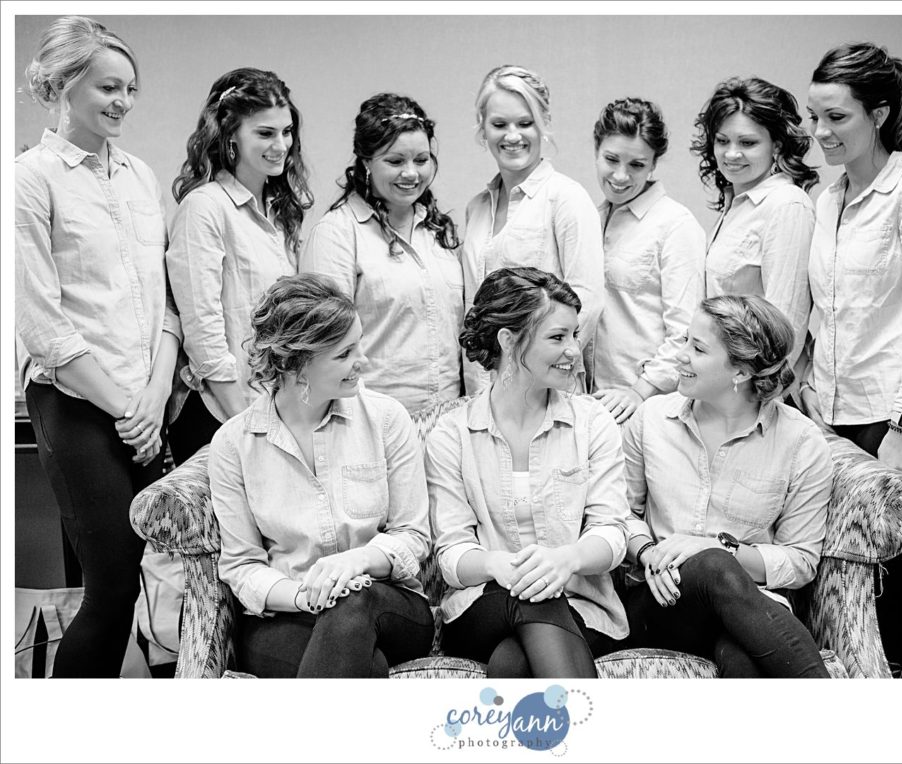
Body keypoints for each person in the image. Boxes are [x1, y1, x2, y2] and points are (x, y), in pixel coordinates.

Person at [15, 16, 181, 677]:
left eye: (131, 89)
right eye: (108, 87)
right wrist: (125, 410)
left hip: (144, 400)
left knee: (151, 580)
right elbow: (43, 328)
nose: (123, 102)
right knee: (112, 583)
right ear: (62, 85)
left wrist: (154, 396)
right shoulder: (30, 179)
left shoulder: (141, 176)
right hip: (74, 403)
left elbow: (167, 308)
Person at [804, 42, 902, 678]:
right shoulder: (825, 198)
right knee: (846, 574)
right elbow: (826, 311)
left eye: (837, 117)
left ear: (878, 115)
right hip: (831, 408)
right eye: (815, 116)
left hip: (896, 412)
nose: (821, 132)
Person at [208, 273, 434, 677]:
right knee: (366, 663)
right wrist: (307, 596)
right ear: (298, 364)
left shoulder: (386, 419)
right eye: (345, 353)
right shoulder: (234, 444)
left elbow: (413, 536)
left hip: (388, 604)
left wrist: (357, 562)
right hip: (289, 611)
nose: (362, 361)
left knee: (355, 603)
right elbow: (242, 566)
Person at [426, 267, 629, 678]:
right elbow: (450, 554)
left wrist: (565, 560)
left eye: (575, 334)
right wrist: (497, 565)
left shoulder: (593, 422)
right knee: (531, 592)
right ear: (508, 339)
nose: (574, 350)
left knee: (513, 661)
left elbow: (613, 533)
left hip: (581, 609)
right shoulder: (451, 433)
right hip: (482, 606)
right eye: (558, 337)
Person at [621, 295, 832, 678]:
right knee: (716, 564)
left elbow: (801, 561)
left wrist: (721, 549)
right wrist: (648, 551)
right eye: (685, 340)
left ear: (740, 373)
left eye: (697, 348)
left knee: (742, 660)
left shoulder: (800, 441)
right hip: (660, 600)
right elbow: (622, 513)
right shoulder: (651, 419)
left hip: (747, 608)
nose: (680, 356)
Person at [166, 67, 312, 464]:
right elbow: (203, 332)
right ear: (230, 138)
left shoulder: (281, 213)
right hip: (218, 411)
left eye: (286, 132)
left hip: (269, 406)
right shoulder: (204, 207)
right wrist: (245, 420)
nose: (280, 145)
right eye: (265, 133)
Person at [300, 93, 463, 416]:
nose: (411, 173)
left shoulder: (437, 232)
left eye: (421, 159)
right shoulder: (338, 233)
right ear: (366, 163)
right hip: (372, 418)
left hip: (447, 419)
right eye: (395, 161)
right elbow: (323, 344)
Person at [462, 65, 604, 395]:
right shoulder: (477, 207)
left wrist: (533, 365)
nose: (513, 136)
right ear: (483, 129)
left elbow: (589, 299)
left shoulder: (566, 198)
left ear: (544, 125)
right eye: (499, 124)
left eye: (525, 123)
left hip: (545, 387)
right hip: (483, 387)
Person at [590, 97, 705, 424]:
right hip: (594, 400)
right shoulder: (590, 218)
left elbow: (686, 329)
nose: (621, 176)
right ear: (596, 150)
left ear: (654, 163)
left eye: (637, 165)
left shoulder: (675, 225)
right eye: (611, 159)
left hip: (649, 405)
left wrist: (640, 391)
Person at [692, 77, 818, 370]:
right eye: (722, 141)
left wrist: (758, 396)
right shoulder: (735, 204)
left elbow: (787, 327)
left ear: (776, 144)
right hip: (726, 382)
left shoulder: (787, 205)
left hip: (758, 389)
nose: (731, 154)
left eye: (748, 142)